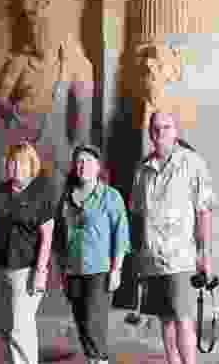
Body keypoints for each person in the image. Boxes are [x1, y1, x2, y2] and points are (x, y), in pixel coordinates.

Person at [130, 112, 218, 364]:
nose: (161, 133)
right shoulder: (143, 169)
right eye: (155, 128)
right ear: (150, 133)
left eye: (166, 127)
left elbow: (203, 211)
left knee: (182, 319)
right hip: (152, 258)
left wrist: (204, 255)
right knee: (165, 321)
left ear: (176, 131)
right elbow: (138, 214)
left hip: (181, 258)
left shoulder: (193, 163)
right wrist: (138, 256)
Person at [54, 144, 130, 364]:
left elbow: (121, 235)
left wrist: (116, 269)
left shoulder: (110, 196)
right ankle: (93, 361)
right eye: (79, 161)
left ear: (98, 167)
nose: (83, 165)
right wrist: (62, 271)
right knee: (82, 326)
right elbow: (59, 238)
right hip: (73, 271)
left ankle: (100, 361)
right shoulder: (66, 198)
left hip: (100, 271)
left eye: (88, 161)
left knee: (94, 324)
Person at [0, 142, 57, 364]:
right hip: (0, 268)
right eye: (12, 162)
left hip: (26, 270)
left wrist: (40, 271)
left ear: (31, 166)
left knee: (19, 328)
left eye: (22, 163)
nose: (16, 167)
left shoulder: (41, 194)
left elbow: (47, 236)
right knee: (4, 327)